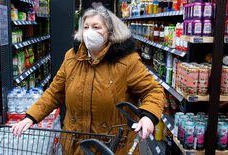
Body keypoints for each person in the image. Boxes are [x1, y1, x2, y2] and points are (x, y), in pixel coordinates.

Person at [11, 5, 165, 154]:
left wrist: (148, 116)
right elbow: (54, 92)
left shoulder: (127, 61)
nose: (90, 32)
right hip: (75, 146)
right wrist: (31, 117)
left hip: (113, 146)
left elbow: (153, 90)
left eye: (96, 27)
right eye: (86, 27)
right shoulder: (71, 57)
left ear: (110, 32)